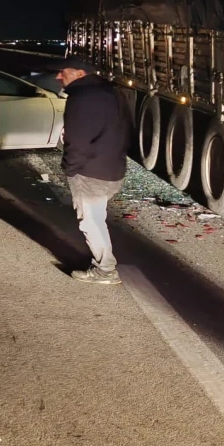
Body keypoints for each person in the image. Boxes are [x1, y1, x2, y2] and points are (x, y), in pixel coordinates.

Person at [47, 56, 132, 285]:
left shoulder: (82, 98)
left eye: (63, 71)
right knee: (97, 218)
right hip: (112, 168)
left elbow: (77, 142)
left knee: (91, 222)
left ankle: (105, 270)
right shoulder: (112, 93)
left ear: (80, 73)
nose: (58, 76)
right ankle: (104, 265)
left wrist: (70, 169)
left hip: (90, 173)